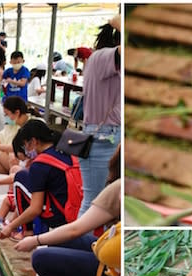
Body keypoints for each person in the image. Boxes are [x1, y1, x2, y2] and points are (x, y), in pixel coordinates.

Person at [14, 146, 120, 276]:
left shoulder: (119, 187)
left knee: (41, 257)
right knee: (61, 241)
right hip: (114, 253)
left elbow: (74, 229)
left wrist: (34, 240)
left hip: (117, 269)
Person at [0, 119, 82, 239]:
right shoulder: (64, 150)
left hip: (60, 218)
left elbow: (35, 209)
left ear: (33, 141)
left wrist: (11, 226)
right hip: (77, 212)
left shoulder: (40, 165)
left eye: (25, 145)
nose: (26, 149)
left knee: (19, 178)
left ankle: (27, 232)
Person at [79, 15, 120, 217]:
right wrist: (120, 21)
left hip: (107, 135)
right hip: (103, 137)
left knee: (104, 203)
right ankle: (78, 246)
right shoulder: (103, 57)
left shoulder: (103, 60)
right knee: (96, 202)